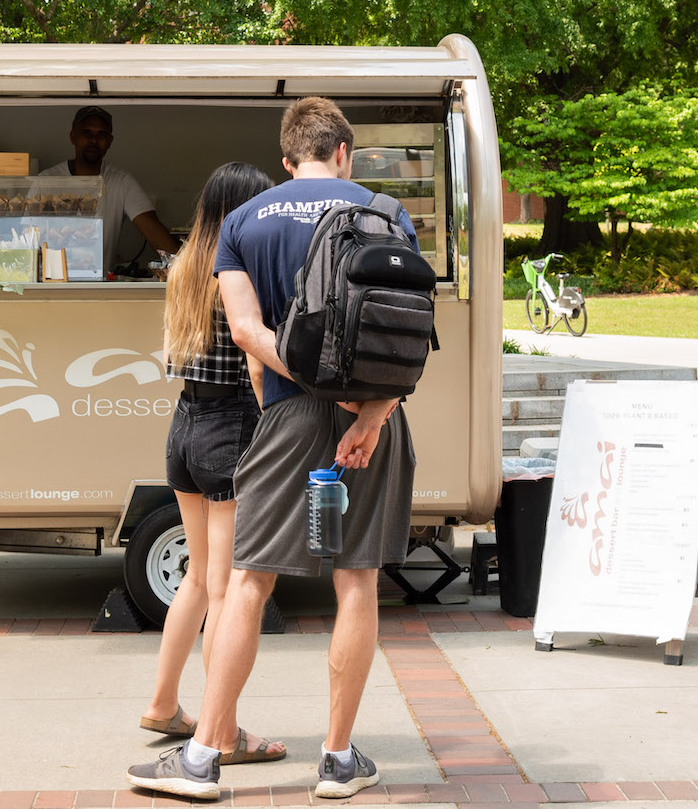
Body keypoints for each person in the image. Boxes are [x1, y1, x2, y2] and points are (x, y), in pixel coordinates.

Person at [127, 97, 417, 801]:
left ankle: (199, 761)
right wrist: (367, 410)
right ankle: (338, 759)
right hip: (372, 425)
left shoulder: (245, 222)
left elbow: (250, 334)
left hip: (284, 416)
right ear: (343, 151)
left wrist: (311, 386)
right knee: (356, 580)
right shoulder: (387, 212)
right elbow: (408, 333)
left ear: (288, 160)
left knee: (249, 581)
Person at [138, 162, 286, 768]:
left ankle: (163, 703)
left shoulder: (181, 267)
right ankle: (221, 732)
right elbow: (254, 359)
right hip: (229, 432)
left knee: (197, 580)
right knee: (226, 589)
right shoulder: (239, 270)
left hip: (184, 429)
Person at [38, 106, 179, 272]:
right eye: (86, 133)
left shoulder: (121, 181)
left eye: (101, 135)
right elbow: (30, 239)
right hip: (53, 282)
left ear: (110, 142)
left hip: (100, 286)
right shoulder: (46, 181)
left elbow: (153, 230)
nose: (93, 140)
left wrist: (186, 266)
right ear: (73, 137)